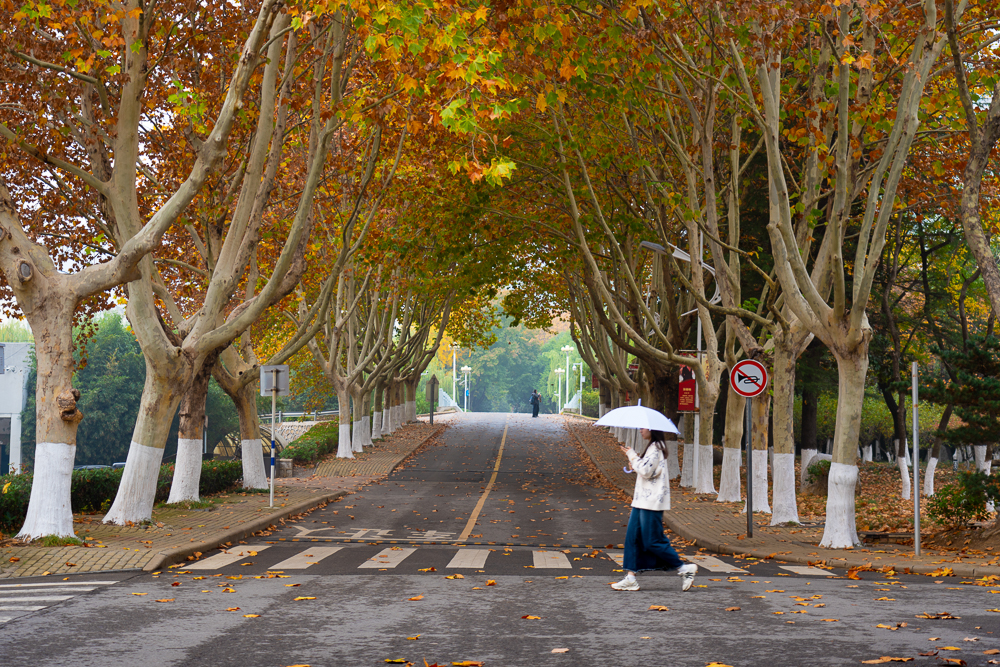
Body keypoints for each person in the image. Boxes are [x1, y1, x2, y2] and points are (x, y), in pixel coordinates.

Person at [612, 427, 697, 591]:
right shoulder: (652, 447)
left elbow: (646, 471)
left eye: (643, 428)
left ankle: (684, 568)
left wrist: (632, 455)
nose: (640, 430)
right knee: (632, 538)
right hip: (641, 500)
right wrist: (635, 464)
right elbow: (649, 471)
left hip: (652, 501)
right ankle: (630, 578)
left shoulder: (657, 447)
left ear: (652, 429)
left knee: (652, 540)